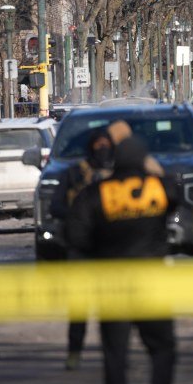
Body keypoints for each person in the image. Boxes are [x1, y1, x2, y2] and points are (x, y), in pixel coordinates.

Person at [66, 135, 182, 384]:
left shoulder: (96, 193)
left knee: (115, 360)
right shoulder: (159, 188)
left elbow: (76, 236)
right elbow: (175, 194)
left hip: (112, 286)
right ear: (144, 160)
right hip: (153, 285)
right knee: (163, 350)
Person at [49, 121, 133, 371]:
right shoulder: (75, 174)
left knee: (114, 311)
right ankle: (74, 353)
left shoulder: (119, 174)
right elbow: (56, 206)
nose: (102, 149)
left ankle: (117, 356)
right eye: (98, 145)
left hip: (112, 252)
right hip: (82, 250)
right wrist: (79, 216)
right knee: (79, 309)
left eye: (107, 145)